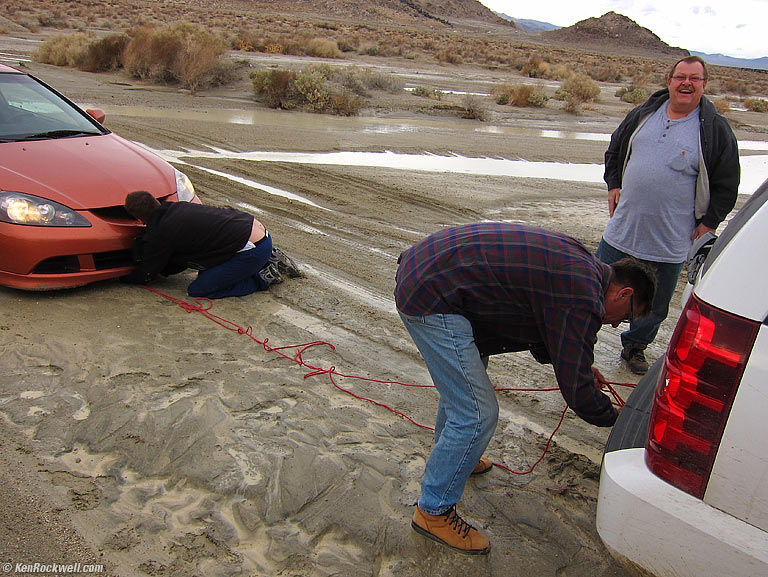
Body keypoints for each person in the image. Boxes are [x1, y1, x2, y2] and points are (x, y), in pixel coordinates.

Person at [394, 222, 656, 555]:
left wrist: (580, 367)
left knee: (465, 391)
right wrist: (621, 421)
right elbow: (577, 394)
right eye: (627, 317)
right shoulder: (583, 295)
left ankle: (457, 456)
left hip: (432, 274)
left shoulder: (584, 268)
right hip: (432, 294)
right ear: (625, 294)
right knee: (477, 413)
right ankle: (433, 511)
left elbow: (552, 336)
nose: (618, 324)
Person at [598, 55, 740, 374]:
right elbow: (615, 149)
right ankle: (581, 338)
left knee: (655, 304)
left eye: (694, 78)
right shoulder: (644, 113)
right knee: (598, 284)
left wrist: (709, 222)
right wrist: (613, 184)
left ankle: (634, 347)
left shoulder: (714, 129)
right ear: (669, 81)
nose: (686, 83)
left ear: (704, 85)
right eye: (680, 77)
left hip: (669, 239)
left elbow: (728, 181)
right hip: (623, 229)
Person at [122, 191, 300, 298]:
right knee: (207, 271)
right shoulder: (176, 207)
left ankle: (264, 276)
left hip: (252, 249)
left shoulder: (161, 230)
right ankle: (266, 257)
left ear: (139, 217)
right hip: (256, 231)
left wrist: (127, 278)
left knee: (199, 289)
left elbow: (149, 269)